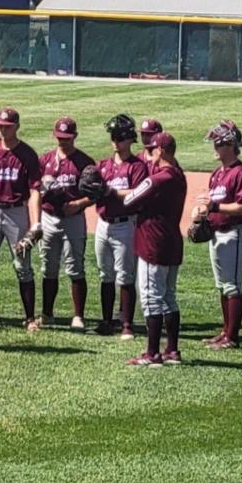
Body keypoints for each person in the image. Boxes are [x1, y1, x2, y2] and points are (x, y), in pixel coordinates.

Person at [112, 132, 187, 366]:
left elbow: (129, 200)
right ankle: (172, 350)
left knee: (151, 298)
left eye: (151, 150)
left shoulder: (158, 179)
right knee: (169, 298)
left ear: (161, 151)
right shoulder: (179, 175)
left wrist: (110, 192)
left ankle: (152, 353)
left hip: (153, 242)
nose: (147, 153)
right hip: (172, 240)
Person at [0, 106, 42, 329]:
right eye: (1, 126)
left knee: (22, 265)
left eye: (8, 126)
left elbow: (34, 191)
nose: (4, 130)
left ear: (17, 127)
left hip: (16, 212)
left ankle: (30, 318)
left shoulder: (27, 154)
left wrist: (35, 223)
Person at [198, 120, 242, 349]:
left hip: (234, 234)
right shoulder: (217, 173)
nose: (214, 148)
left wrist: (215, 208)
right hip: (217, 234)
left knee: (232, 286)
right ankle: (225, 332)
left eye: (218, 143)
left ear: (230, 144)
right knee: (222, 286)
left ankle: (232, 337)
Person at [37, 117, 96, 330]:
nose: (62, 141)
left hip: (73, 218)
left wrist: (78, 204)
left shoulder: (85, 162)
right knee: (48, 267)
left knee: (75, 267)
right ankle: (47, 313)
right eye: (59, 138)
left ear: (75, 137)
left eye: (67, 138)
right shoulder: (45, 161)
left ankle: (78, 316)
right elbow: (36, 189)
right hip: (49, 217)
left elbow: (95, 193)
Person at [94, 114, 149, 337]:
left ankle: (126, 324)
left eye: (120, 137)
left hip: (125, 225)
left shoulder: (137, 167)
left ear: (129, 139)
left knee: (125, 275)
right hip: (103, 224)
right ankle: (108, 320)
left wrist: (111, 192)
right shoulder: (103, 165)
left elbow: (137, 193)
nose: (115, 141)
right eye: (113, 136)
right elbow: (94, 191)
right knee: (105, 274)